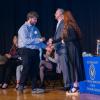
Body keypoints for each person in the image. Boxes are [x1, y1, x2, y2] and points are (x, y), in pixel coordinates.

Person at [17, 11, 45, 93]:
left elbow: (39, 42)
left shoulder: (36, 29)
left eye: (36, 19)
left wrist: (47, 47)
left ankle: (34, 88)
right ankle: (21, 86)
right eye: (34, 19)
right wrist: (38, 40)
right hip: (25, 50)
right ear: (29, 18)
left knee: (35, 69)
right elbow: (26, 41)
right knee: (26, 66)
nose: (36, 21)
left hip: (35, 51)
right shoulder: (23, 28)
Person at [61, 11, 85, 93]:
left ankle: (75, 86)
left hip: (73, 48)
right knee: (74, 67)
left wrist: (65, 40)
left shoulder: (69, 25)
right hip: (73, 48)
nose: (63, 18)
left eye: (63, 17)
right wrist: (53, 41)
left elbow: (73, 37)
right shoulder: (72, 24)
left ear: (66, 17)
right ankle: (76, 86)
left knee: (74, 67)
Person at [50, 8, 70, 91]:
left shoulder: (63, 23)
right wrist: (53, 44)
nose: (54, 14)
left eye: (56, 13)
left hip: (63, 49)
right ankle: (66, 84)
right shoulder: (58, 23)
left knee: (65, 68)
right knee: (63, 68)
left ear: (61, 14)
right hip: (59, 49)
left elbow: (62, 36)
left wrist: (53, 41)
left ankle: (67, 85)